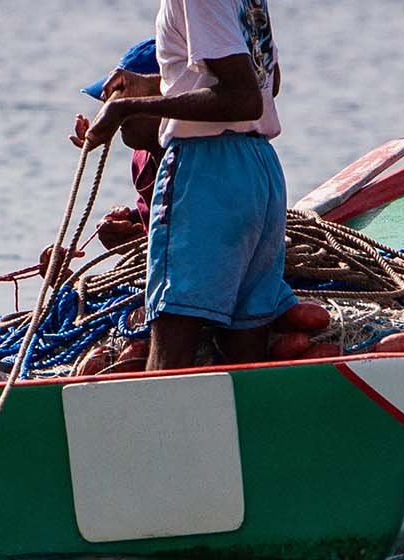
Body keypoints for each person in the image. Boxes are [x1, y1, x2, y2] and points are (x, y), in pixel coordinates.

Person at [76, 0, 295, 371]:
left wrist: (123, 109)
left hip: (205, 168)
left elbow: (243, 98)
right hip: (259, 168)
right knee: (246, 345)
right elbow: (269, 83)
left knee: (172, 342)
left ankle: (154, 428)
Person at [69, 39, 162, 250]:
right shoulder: (142, 156)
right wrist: (130, 223)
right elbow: (158, 215)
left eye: (123, 101)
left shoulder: (197, 157)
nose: (113, 116)